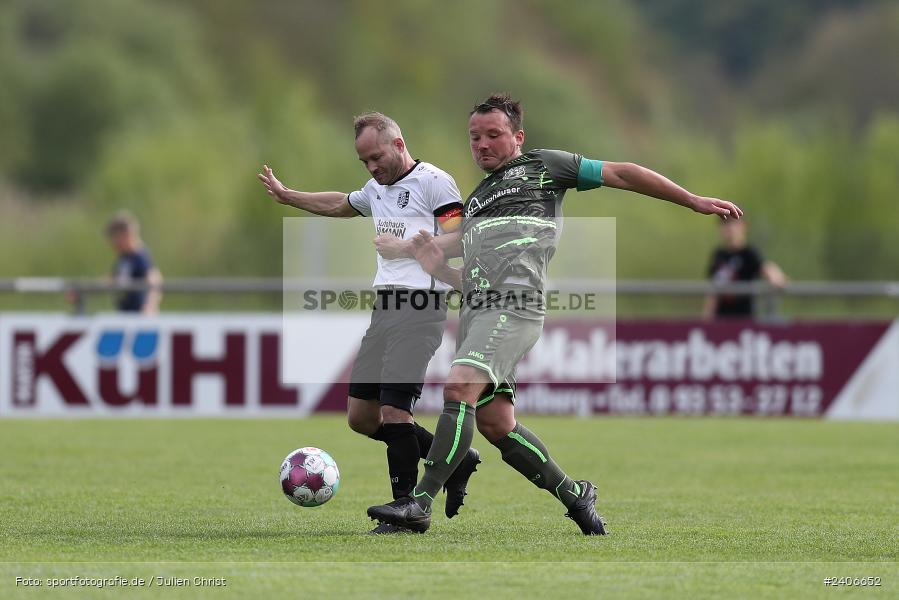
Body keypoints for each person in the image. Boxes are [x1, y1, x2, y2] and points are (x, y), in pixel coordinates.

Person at [367, 93, 743, 535]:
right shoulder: (475, 203)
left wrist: (692, 200)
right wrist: (436, 266)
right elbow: (470, 280)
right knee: (496, 424)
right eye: (474, 137)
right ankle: (575, 495)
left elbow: (623, 172)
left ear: (518, 137)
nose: (482, 144)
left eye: (493, 134)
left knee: (459, 387)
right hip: (479, 311)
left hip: (515, 307)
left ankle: (420, 502)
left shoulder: (544, 167)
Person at [257, 112, 480, 534]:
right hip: (386, 308)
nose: (372, 167)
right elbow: (341, 203)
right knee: (362, 416)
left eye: (376, 157)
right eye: (364, 162)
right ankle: (455, 460)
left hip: (422, 306)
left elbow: (461, 236)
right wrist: (289, 197)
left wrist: (406, 248)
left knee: (395, 411)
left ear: (398, 144)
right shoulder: (376, 189)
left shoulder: (434, 182)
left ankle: (407, 511)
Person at [703, 218, 787, 320]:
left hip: (744, 320)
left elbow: (766, 267)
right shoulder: (718, 255)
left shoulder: (749, 253)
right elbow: (712, 293)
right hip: (720, 320)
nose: (729, 228)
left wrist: (775, 276)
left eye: (733, 223)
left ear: (744, 226)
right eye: (725, 224)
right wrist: (707, 320)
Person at [105, 211, 162, 315]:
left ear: (127, 235)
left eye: (115, 237)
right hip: (126, 314)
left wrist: (149, 307)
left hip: (137, 317)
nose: (113, 243)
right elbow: (111, 280)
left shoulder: (140, 256)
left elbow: (154, 279)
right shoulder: (124, 258)